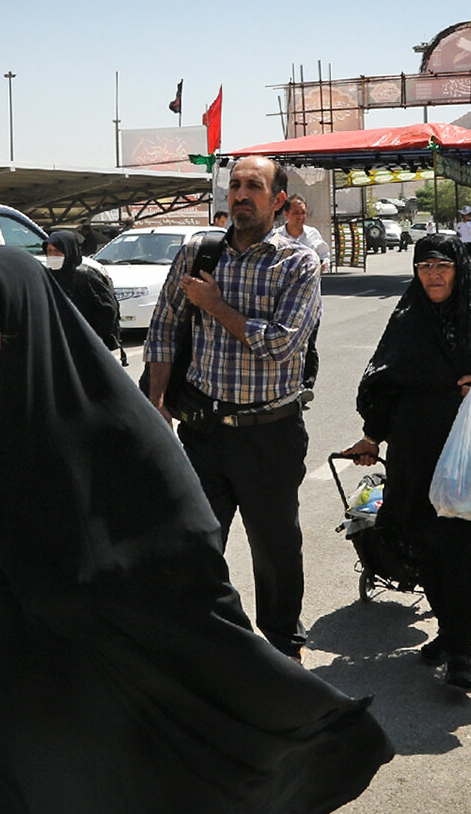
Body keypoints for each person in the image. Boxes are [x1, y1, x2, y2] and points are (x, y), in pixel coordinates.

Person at [0, 246, 393, 812]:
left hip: (98, 681)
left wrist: (80, 594)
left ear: (22, 327)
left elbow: (182, 562)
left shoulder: (112, 425)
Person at [342, 234, 471, 692]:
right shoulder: (408, 319)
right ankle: (450, 634)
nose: (433, 274)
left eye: (442, 265)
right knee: (428, 548)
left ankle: (461, 654)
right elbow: (384, 383)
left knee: (470, 552)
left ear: (460, 269)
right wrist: (372, 436)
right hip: (417, 456)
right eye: (424, 265)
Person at [145, 155, 320, 661]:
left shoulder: (298, 263)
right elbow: (163, 327)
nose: (240, 194)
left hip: (271, 434)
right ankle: (197, 645)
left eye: (254, 187)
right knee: (193, 543)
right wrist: (157, 401)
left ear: (278, 200)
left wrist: (216, 306)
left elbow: (283, 344)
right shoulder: (199, 253)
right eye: (236, 185)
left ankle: (284, 651)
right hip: (204, 433)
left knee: (275, 551)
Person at [44, 229, 126, 364]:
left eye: (57, 251)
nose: (52, 255)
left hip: (86, 343)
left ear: (69, 250)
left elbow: (107, 308)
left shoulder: (86, 276)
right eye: (49, 251)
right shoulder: (49, 276)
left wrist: (97, 336)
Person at [276, 193, 328, 396]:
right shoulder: (277, 237)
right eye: (296, 213)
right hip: (285, 301)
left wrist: (324, 263)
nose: (300, 216)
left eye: (303, 213)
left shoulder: (312, 235)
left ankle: (306, 386)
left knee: (309, 344)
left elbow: (325, 254)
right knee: (286, 343)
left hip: (310, 302)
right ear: (286, 214)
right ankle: (287, 384)